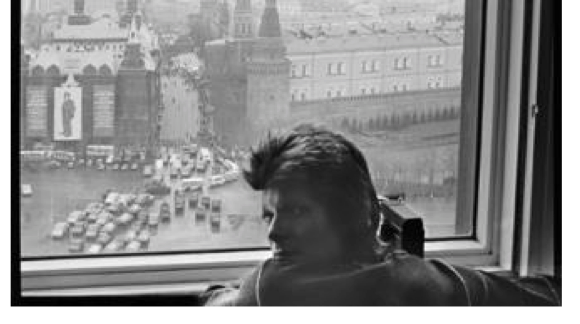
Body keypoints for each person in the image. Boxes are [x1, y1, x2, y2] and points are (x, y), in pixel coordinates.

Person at [202, 124, 559, 306]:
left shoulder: (271, 289)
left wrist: (218, 294)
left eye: (296, 211)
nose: (274, 233)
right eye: (270, 216)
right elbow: (535, 299)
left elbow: (221, 307)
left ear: (351, 214)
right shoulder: (424, 283)